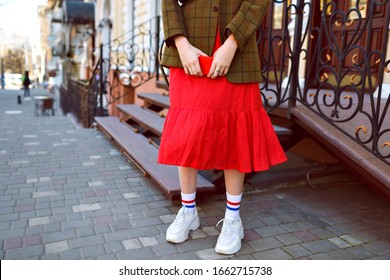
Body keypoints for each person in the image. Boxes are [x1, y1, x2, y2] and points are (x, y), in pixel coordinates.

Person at [158, 0, 287, 255]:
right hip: (189, 46)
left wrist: (233, 42)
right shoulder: (183, 46)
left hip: (236, 47)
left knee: (235, 132)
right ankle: (188, 210)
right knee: (188, 132)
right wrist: (180, 43)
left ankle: (232, 218)